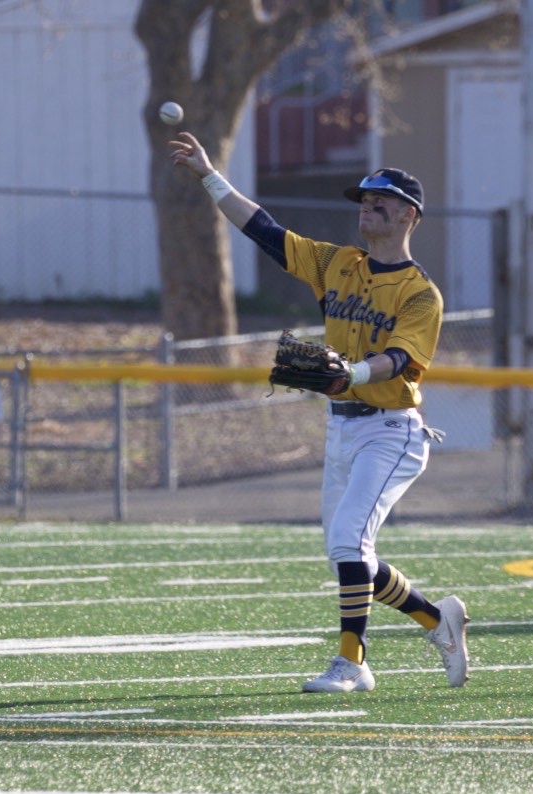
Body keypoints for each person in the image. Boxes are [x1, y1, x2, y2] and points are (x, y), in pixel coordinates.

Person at [169, 131, 469, 693]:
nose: (367, 208)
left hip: (391, 432)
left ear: (409, 215)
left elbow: (400, 360)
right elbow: (263, 229)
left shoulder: (420, 292)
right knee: (347, 557)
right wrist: (210, 175)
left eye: (380, 202)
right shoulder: (338, 263)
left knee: (348, 543)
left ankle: (352, 663)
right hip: (342, 428)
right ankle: (437, 620)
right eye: (364, 200)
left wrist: (353, 375)